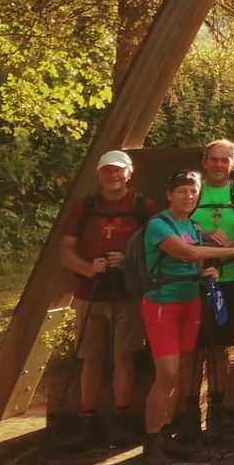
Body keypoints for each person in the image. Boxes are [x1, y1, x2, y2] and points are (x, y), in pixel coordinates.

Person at [140, 170, 234, 465]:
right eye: (182, 191)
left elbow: (195, 263)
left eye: (193, 191)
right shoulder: (158, 225)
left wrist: (207, 272)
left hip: (190, 303)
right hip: (163, 304)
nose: (188, 196)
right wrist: (233, 251)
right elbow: (186, 252)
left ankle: (166, 434)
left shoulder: (192, 225)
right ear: (169, 194)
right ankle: (151, 442)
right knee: (167, 374)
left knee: (182, 374)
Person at [59, 149, 154, 449]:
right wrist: (88, 269)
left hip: (128, 293)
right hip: (90, 293)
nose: (113, 175)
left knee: (124, 356)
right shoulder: (84, 207)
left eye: (119, 170)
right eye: (107, 170)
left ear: (129, 173)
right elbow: (65, 252)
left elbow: (158, 246)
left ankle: (121, 422)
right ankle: (88, 421)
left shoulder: (143, 206)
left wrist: (128, 261)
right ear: (99, 174)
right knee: (91, 357)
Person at [185, 138, 234, 443]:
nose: (218, 165)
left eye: (224, 160)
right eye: (213, 159)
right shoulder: (193, 190)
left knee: (219, 345)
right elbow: (177, 224)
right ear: (204, 161)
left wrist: (229, 246)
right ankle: (189, 413)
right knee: (193, 347)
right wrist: (203, 236)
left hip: (228, 279)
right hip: (192, 278)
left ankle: (217, 411)